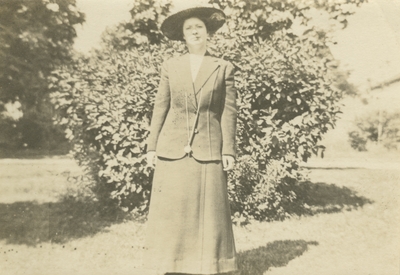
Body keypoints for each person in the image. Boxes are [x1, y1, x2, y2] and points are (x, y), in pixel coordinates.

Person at [143, 6, 238, 275]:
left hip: (208, 148)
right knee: (174, 210)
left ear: (208, 32)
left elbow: (228, 111)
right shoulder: (170, 66)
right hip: (172, 148)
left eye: (199, 27)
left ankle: (211, 266)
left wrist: (228, 149)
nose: (195, 31)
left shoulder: (223, 68)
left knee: (210, 213)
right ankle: (173, 267)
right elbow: (160, 107)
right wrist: (152, 146)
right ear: (182, 36)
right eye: (189, 28)